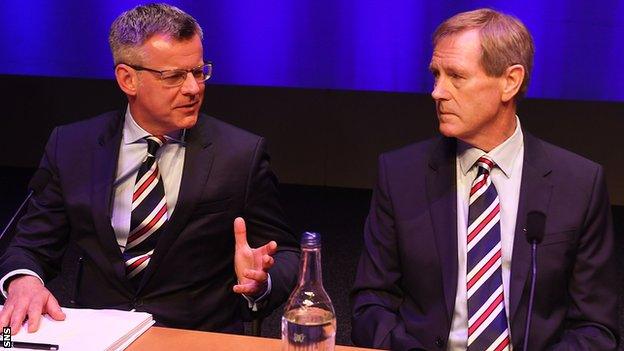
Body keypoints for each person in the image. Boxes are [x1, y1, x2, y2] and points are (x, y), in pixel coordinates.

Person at [0, 3, 299, 335]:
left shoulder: (240, 154)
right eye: (174, 76)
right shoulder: (72, 146)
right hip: (99, 336)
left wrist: (262, 281)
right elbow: (32, 244)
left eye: (199, 72)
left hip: (196, 337)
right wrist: (23, 279)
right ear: (128, 79)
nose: (193, 88)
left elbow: (284, 251)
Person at [351, 8, 617, 351]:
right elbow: (370, 304)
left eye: (456, 77)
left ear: (510, 81)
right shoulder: (400, 174)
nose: (437, 92)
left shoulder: (579, 183)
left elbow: (596, 328)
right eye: (436, 75)